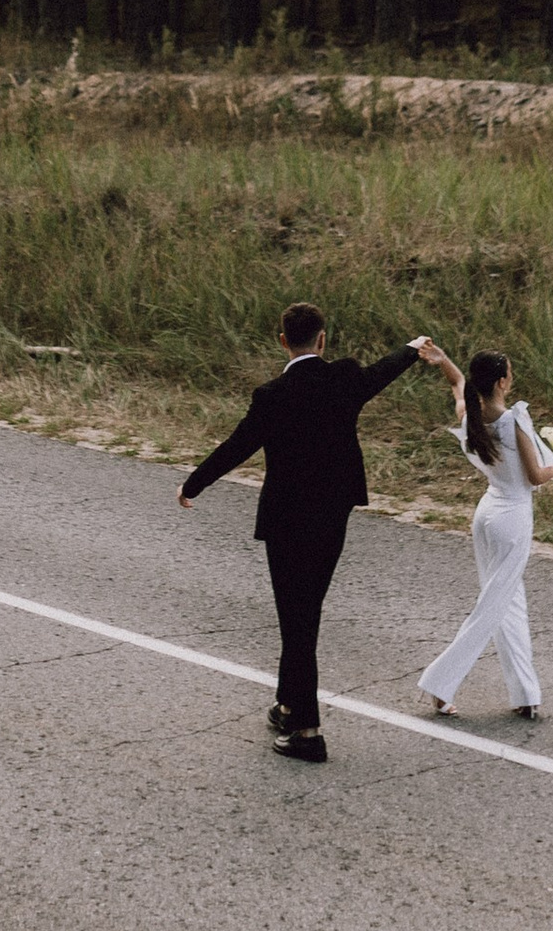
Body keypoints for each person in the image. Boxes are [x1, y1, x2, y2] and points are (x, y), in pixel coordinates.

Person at [179, 302, 452, 763]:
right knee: (304, 614)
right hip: (332, 519)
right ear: (322, 339)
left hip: (287, 523)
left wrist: (194, 483)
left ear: (282, 341)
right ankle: (289, 705)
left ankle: (307, 731)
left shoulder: (272, 395)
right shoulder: (344, 378)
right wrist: (411, 349)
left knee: (298, 621)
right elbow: (380, 374)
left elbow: (237, 447)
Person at [417, 348, 553, 725]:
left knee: (509, 604)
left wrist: (444, 360)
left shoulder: (470, 413)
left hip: (486, 513)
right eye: (510, 373)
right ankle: (440, 683)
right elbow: (535, 476)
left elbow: (457, 383)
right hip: (513, 518)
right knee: (492, 608)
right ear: (502, 381)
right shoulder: (513, 420)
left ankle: (526, 695)